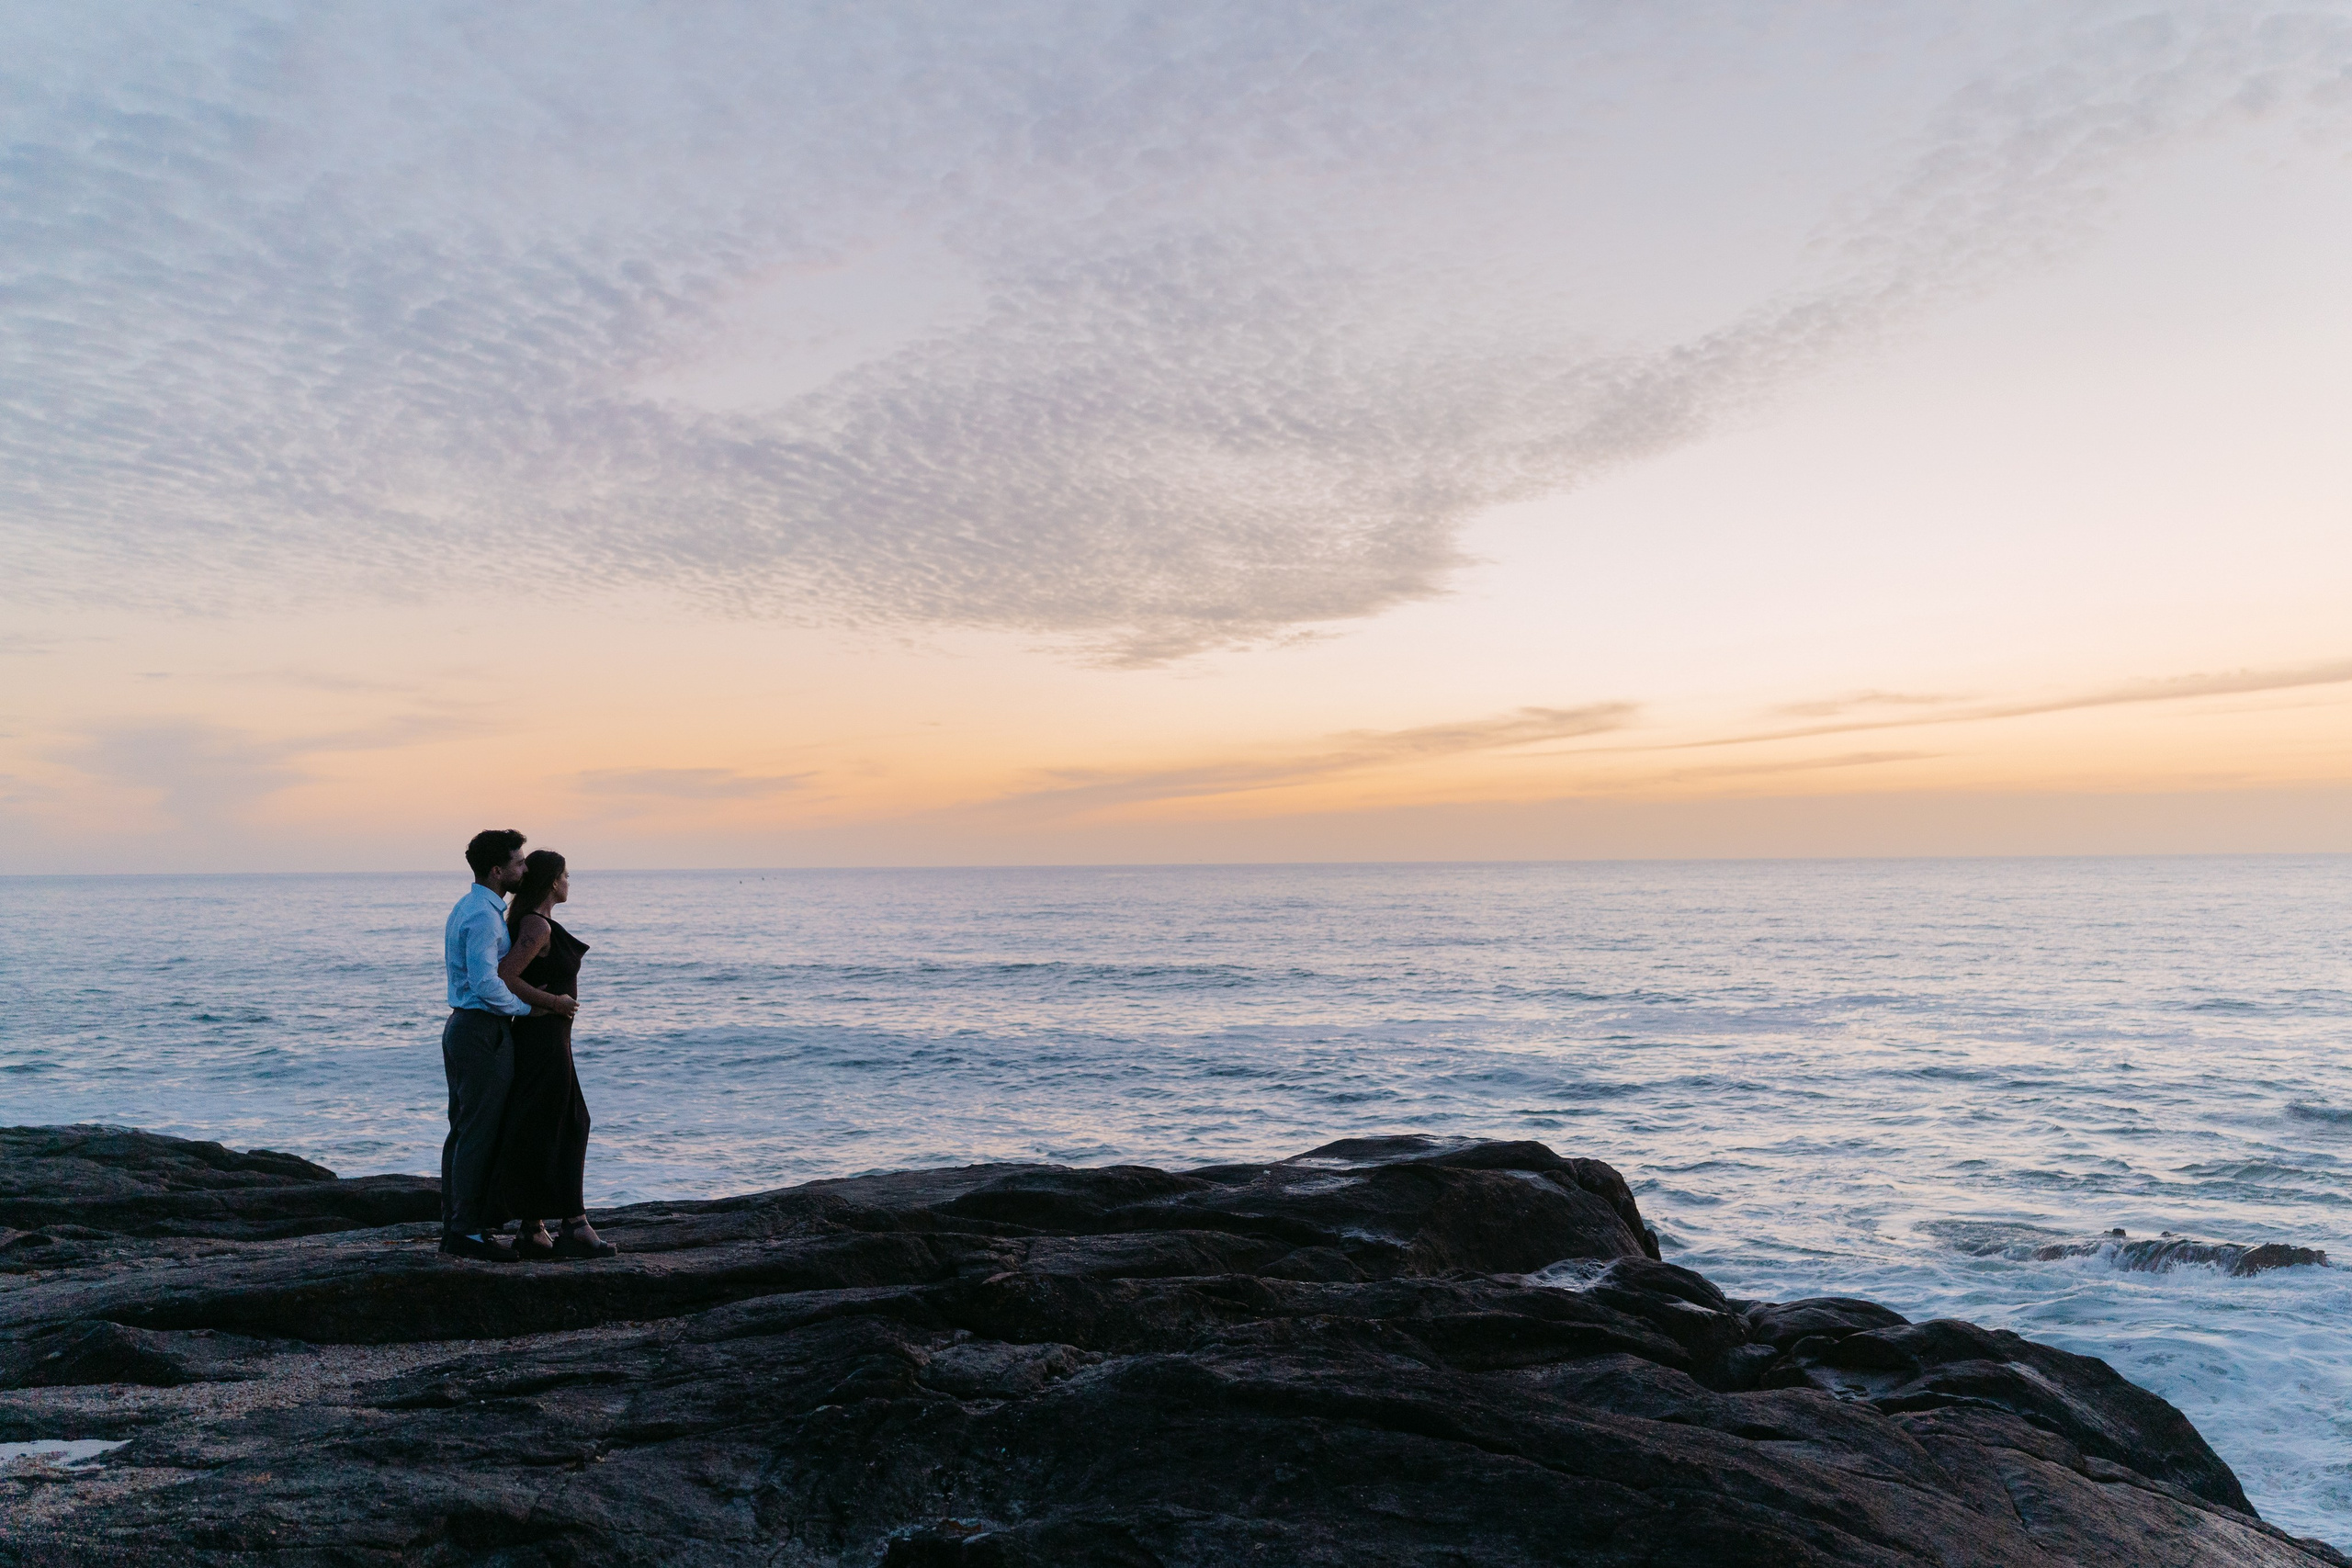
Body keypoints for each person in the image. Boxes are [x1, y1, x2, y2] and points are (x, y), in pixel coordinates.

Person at [485, 849, 617, 1259]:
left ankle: (533, 1227)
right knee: (571, 1123)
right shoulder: (536, 927)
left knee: (547, 1126)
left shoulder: (536, 923)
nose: (569, 882)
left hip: (549, 1039)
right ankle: (574, 1225)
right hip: (542, 1040)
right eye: (565, 875)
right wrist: (553, 1003)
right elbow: (506, 975)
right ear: (552, 881)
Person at [437, 828, 551, 1260]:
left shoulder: (467, 907)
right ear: (496, 870)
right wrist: (527, 1010)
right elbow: (486, 981)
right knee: (478, 1131)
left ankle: (456, 1227)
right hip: (481, 1029)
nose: (525, 868)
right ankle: (465, 1231)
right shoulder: (485, 916)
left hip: (463, 1027)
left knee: (463, 1130)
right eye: (519, 862)